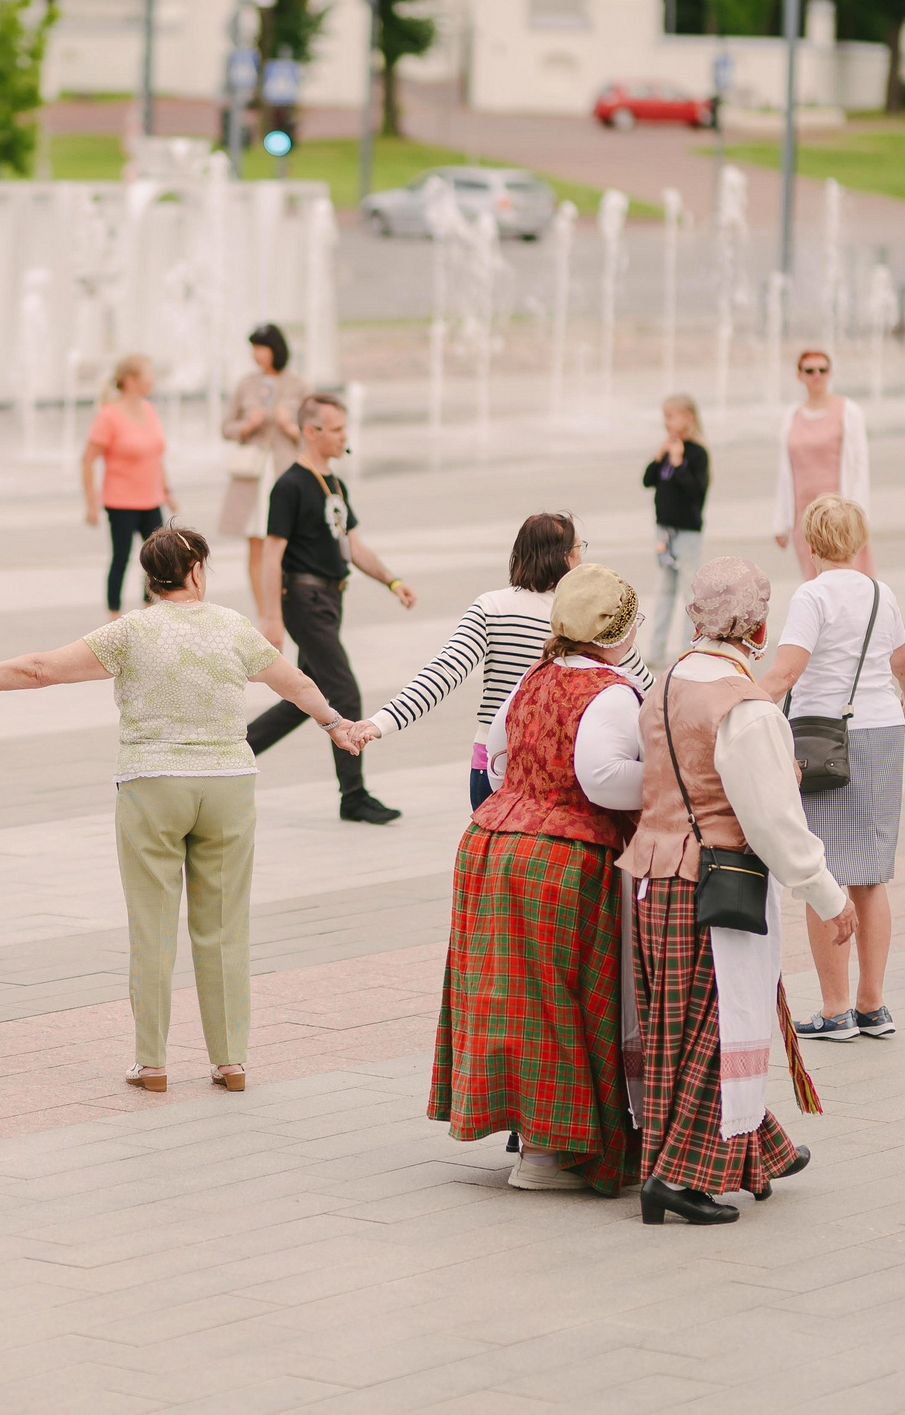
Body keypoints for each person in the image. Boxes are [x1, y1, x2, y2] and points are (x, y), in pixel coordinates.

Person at [0, 527, 352, 1093]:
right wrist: (335, 724)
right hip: (228, 784)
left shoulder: (131, 631)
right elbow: (296, 683)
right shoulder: (233, 626)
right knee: (225, 928)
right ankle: (230, 1062)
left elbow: (39, 668)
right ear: (197, 570)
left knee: (153, 927)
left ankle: (152, 1064)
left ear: (150, 576)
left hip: (152, 785)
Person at [622, 558, 853, 1226]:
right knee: (717, 1026)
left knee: (680, 1024)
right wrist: (828, 895)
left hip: (655, 875)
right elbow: (774, 819)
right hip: (718, 882)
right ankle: (676, 1177)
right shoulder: (743, 706)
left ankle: (752, 1149)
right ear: (754, 623)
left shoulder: (664, 681)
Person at [424, 566, 645, 1195]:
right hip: (560, 857)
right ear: (618, 629)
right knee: (558, 1002)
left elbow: (495, 762)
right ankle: (551, 1153)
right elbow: (601, 776)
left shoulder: (532, 677)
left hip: (490, 848)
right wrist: (661, 783)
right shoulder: (612, 691)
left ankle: (532, 1136)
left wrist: (525, 799)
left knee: (508, 1002)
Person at [765, 497, 905, 1041]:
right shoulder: (882, 593)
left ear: (810, 542)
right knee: (871, 876)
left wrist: (739, 702)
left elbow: (786, 671)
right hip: (879, 733)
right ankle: (873, 1006)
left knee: (821, 871)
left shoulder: (811, 595)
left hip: (821, 738)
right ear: (857, 541)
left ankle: (835, 1010)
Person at [352, 513, 620, 811]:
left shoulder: (491, 607)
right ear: (566, 557)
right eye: (579, 548)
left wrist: (380, 723)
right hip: (561, 765)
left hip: (492, 766)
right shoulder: (590, 614)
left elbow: (444, 671)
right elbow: (638, 684)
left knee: (495, 858)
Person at [244, 393, 417, 825]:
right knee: (344, 691)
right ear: (311, 431)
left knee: (303, 698)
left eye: (344, 428)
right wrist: (271, 617)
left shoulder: (335, 484)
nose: (344, 436)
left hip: (330, 597)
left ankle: (232, 751)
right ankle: (353, 796)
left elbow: (351, 544)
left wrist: (392, 581)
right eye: (336, 429)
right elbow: (272, 554)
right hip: (304, 598)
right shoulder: (289, 485)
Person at [217, 325, 309, 606]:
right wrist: (246, 426)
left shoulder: (299, 384)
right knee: (255, 542)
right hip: (253, 474)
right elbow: (225, 427)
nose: (256, 354)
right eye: (253, 348)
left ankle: (285, 604)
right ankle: (263, 608)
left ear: (275, 350)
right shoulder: (246, 383)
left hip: (284, 471)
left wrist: (290, 427)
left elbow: (315, 432)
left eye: (261, 348)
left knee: (285, 540)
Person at [83, 354, 175, 617]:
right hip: (121, 502)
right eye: (148, 374)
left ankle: (149, 613)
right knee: (121, 559)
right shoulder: (108, 416)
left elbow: (156, 455)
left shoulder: (149, 410)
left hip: (151, 499)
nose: (153, 380)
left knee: (157, 561)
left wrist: (167, 491)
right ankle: (114, 619)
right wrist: (91, 503)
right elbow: (87, 461)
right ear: (130, 380)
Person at [773, 348, 871, 580]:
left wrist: (859, 518)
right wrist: (781, 522)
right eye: (809, 370)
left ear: (830, 373)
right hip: (805, 519)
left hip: (840, 518)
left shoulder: (848, 412)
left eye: (822, 370)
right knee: (814, 583)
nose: (817, 375)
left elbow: (859, 466)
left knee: (848, 582)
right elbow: (785, 473)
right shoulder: (792, 416)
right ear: (800, 375)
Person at [643, 395, 711, 664]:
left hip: (687, 535)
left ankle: (689, 650)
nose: (666, 422)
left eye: (671, 416)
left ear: (688, 418)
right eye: (665, 416)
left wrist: (681, 463)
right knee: (664, 591)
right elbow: (647, 480)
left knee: (689, 593)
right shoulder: (667, 449)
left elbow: (697, 492)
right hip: (664, 532)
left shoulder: (697, 453)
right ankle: (656, 650)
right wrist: (660, 458)